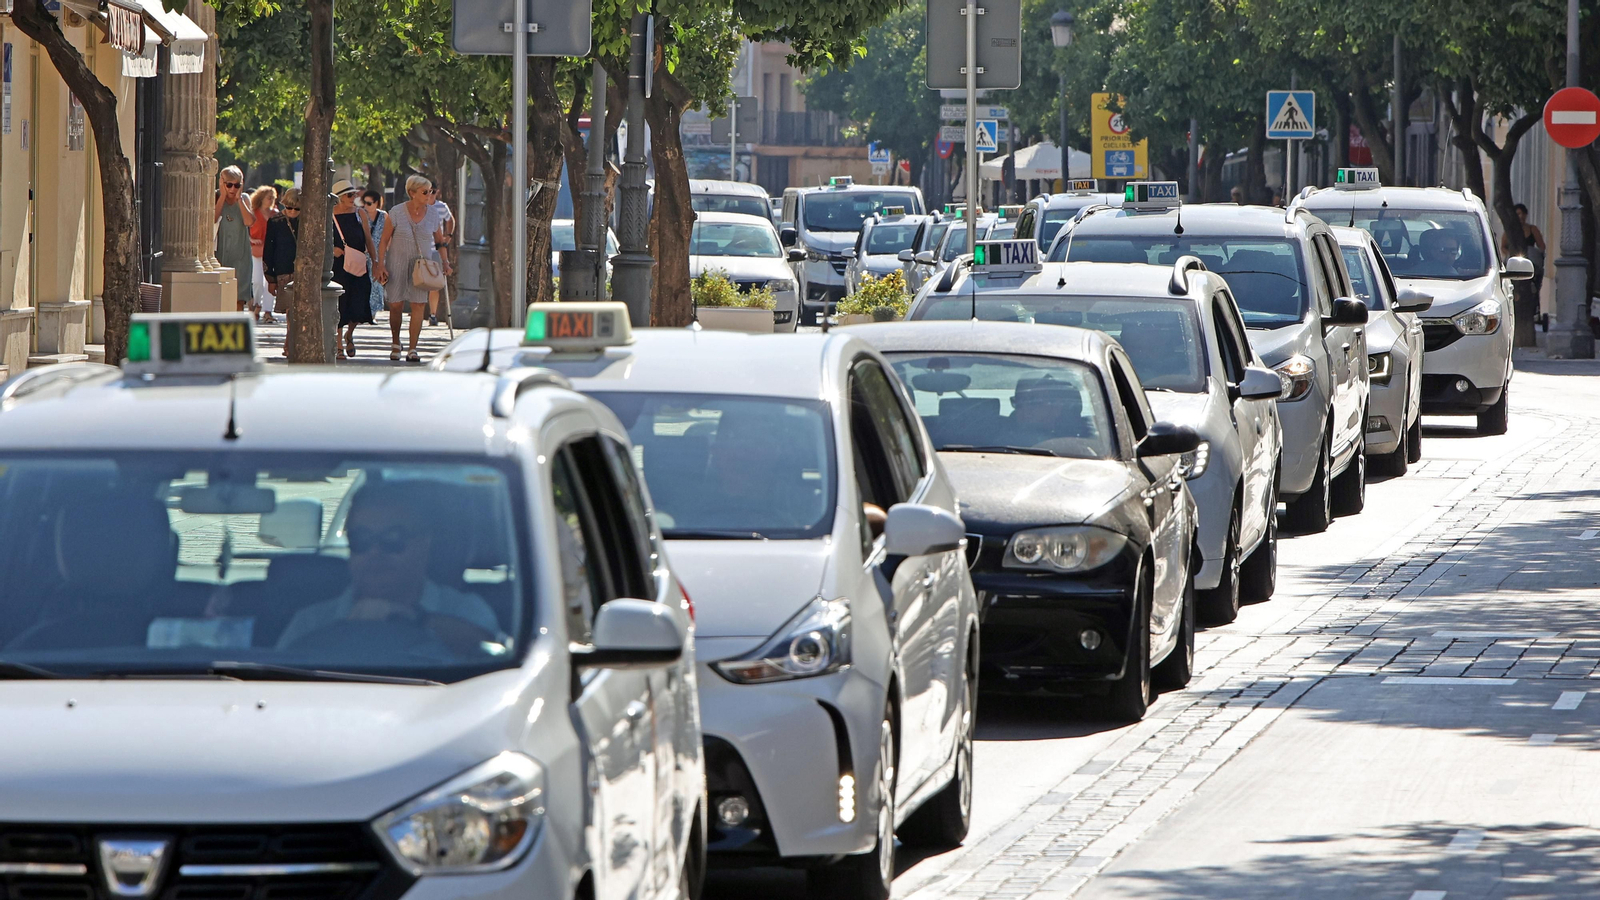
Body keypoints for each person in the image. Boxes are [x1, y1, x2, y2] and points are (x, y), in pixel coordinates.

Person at [275, 482, 499, 658]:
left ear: (424, 544)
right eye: (361, 540)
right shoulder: (310, 622)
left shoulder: (466, 611)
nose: (374, 553)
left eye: (393, 539)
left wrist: (416, 619)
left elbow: (496, 661)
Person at [375, 175, 448, 363]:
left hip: (421, 265)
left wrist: (445, 263)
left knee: (418, 304)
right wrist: (380, 263)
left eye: (430, 191)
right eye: (425, 192)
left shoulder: (433, 214)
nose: (429, 195)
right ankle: (395, 343)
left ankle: (412, 348)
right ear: (412, 193)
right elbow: (384, 240)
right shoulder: (397, 212)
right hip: (397, 262)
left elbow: (439, 241)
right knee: (396, 304)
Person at [329, 179, 376, 359]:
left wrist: (377, 262)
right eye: (349, 195)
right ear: (339, 198)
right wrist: (332, 250)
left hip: (359, 264)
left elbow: (368, 239)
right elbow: (321, 240)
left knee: (359, 302)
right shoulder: (329, 215)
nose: (353, 197)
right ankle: (339, 344)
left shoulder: (360, 214)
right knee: (340, 304)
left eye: (354, 194)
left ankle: (350, 334)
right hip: (338, 267)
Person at [262, 188, 301, 358]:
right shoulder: (275, 222)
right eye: (289, 207)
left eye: (297, 208)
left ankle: (290, 342)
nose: (292, 211)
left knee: (299, 310)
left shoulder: (308, 222)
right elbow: (269, 251)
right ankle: (289, 341)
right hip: (283, 271)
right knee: (290, 311)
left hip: (303, 271)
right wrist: (270, 279)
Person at [214, 166, 255, 312]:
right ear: (222, 183)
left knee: (239, 299)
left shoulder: (244, 199)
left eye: (236, 185)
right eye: (229, 184)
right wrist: (223, 196)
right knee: (220, 299)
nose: (232, 188)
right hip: (220, 255)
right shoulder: (215, 196)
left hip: (240, 256)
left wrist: (239, 199)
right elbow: (213, 219)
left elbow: (249, 222)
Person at [248, 185, 278, 324]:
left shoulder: (275, 214)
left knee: (270, 283)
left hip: (272, 253)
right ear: (261, 198)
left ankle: (267, 311)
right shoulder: (253, 213)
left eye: (273, 197)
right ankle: (256, 304)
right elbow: (244, 232)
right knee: (258, 282)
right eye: (269, 197)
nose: (271, 200)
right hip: (256, 252)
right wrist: (252, 239)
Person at [1502, 203, 1547, 296]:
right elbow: (1503, 246)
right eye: (1518, 214)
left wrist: (1539, 255)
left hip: (1531, 261)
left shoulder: (1532, 229)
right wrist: (1509, 254)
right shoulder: (1509, 231)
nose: (1521, 216)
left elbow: (1541, 246)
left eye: (1523, 214)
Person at [428, 186, 456, 326]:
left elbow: (450, 219)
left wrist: (448, 236)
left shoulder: (440, 207)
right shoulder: (418, 207)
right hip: (419, 250)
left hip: (435, 249)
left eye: (431, 191)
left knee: (434, 284)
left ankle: (432, 314)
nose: (429, 194)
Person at [361, 189, 389, 320]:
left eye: (369, 203)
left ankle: (372, 313)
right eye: (364, 203)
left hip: (379, 254)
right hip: (363, 254)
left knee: (376, 284)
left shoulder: (384, 216)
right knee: (363, 283)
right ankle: (364, 310)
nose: (366, 206)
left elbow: (388, 236)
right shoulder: (360, 214)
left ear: (377, 203)